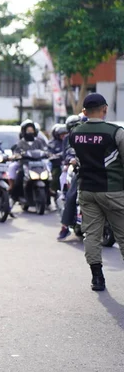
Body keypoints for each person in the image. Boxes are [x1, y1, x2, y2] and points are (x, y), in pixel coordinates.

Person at [69, 93, 124, 291]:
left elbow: (77, 157)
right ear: (105, 108)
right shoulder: (115, 132)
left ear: (84, 111)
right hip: (113, 190)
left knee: (92, 235)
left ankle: (97, 278)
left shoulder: (75, 133)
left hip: (87, 190)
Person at [57, 115, 85, 240]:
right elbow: (68, 152)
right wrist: (72, 159)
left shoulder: (90, 135)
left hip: (98, 171)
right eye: (73, 127)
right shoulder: (68, 139)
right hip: (81, 171)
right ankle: (65, 226)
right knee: (71, 195)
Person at [9, 119, 48, 201]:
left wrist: (47, 154)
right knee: (19, 177)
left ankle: (48, 197)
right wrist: (18, 155)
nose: (30, 132)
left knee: (47, 178)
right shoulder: (21, 142)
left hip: (38, 165)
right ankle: (16, 197)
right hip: (24, 164)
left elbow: (44, 150)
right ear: (24, 131)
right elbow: (17, 151)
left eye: (32, 130)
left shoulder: (38, 141)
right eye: (28, 130)